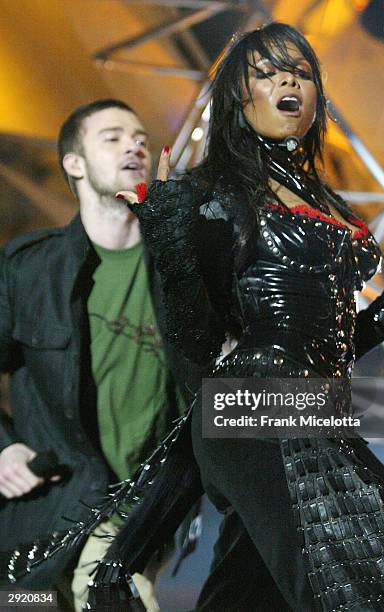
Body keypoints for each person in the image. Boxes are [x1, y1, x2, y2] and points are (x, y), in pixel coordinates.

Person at [17, 24, 384, 611]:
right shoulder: (212, 191)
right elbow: (195, 340)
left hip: (315, 405)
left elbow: (342, 342)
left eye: (299, 70)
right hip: (252, 406)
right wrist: (171, 235)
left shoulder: (327, 203)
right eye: (267, 72)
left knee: (248, 596)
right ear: (237, 99)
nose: (287, 79)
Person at [0, 99, 195, 611]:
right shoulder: (28, 269)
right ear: (75, 163)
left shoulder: (183, 263)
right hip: (47, 511)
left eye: (140, 138)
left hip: (138, 507)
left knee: (109, 594)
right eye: (112, 136)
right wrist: (3, 447)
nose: (134, 144)